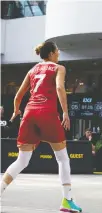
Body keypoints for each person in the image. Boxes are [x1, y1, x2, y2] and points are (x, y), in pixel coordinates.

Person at [0, 41, 82, 212]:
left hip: (29, 113)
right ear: (52, 53)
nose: (59, 52)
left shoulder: (32, 70)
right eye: (57, 50)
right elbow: (59, 87)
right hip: (47, 113)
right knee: (62, 158)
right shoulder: (59, 68)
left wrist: (16, 111)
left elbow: (18, 95)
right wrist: (65, 113)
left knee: (22, 160)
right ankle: (67, 200)